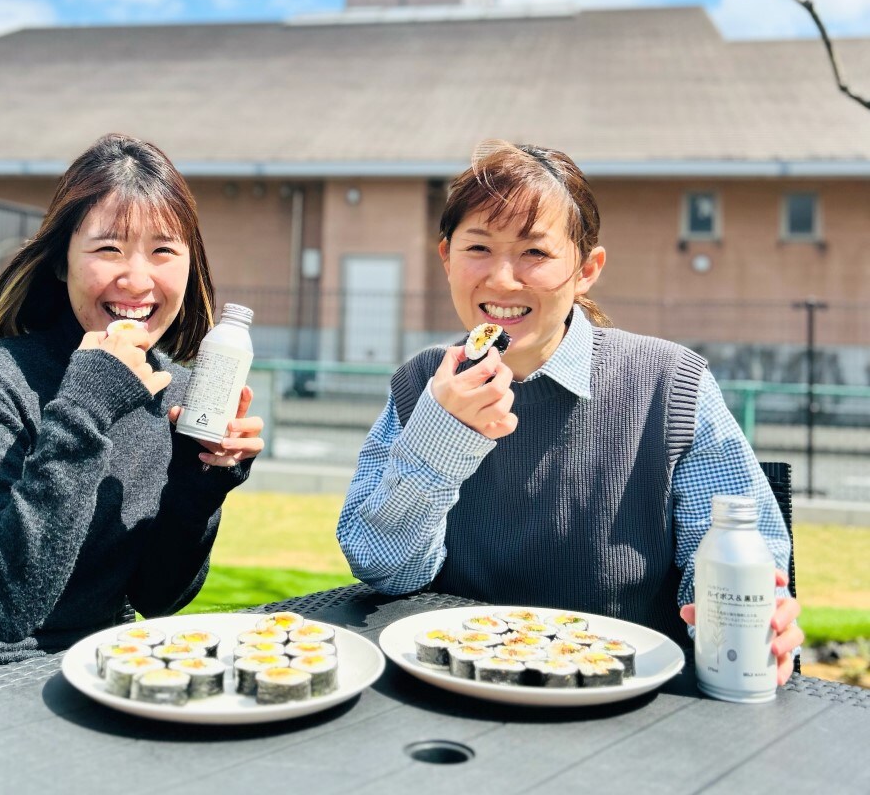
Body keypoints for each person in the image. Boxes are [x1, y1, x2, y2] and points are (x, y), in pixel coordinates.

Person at [337, 139, 802, 683]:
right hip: (454, 687)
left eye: (535, 252)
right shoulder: (423, 384)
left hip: (623, 698)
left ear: (586, 269)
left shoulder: (670, 384)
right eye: (478, 248)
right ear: (446, 258)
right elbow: (383, 567)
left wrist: (744, 614)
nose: (503, 279)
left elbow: (733, 553)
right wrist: (438, 438)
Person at [0, 134, 264, 695]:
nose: (138, 280)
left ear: (190, 267)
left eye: (163, 251)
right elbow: (0, 606)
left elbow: (158, 598)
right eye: (108, 249)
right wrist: (87, 407)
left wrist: (200, 482)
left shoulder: (180, 392)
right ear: (60, 264)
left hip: (93, 673)